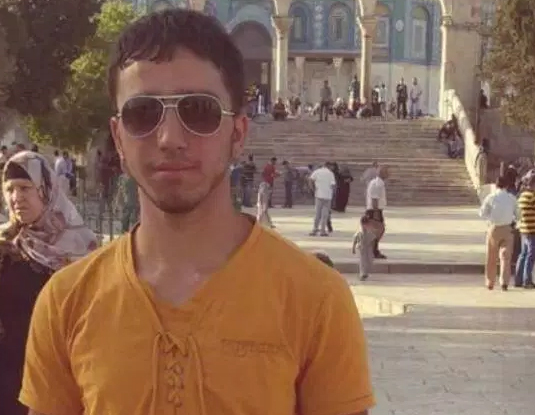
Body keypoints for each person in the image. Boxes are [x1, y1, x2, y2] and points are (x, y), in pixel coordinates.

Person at [19, 9, 374, 415]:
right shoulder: (67, 301)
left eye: (199, 111)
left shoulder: (314, 299)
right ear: (118, 137)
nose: (170, 138)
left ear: (237, 133)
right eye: (143, 113)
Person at [0, 151, 96, 415]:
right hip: (8, 378)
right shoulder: (6, 245)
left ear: (46, 190)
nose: (16, 197)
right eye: (9, 190)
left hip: (57, 378)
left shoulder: (78, 248)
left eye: (25, 188)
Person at [479, 176, 517, 290]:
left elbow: (482, 213)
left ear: (496, 185)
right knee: (506, 257)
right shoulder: (512, 198)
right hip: (508, 229)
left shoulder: (491, 197)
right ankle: (504, 282)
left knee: (491, 256)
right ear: (507, 186)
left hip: (494, 228)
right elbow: (518, 214)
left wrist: (490, 218)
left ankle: (490, 282)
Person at [366, 165, 389, 259]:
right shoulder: (377, 184)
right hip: (374, 210)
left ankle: (373, 250)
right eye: (386, 172)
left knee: (378, 231)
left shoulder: (379, 183)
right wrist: (376, 214)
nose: (388, 174)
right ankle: (372, 251)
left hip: (376, 210)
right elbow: (374, 199)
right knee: (376, 231)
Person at [352, 215, 378, 281]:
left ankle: (365, 272)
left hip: (368, 248)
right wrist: (353, 248)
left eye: (366, 224)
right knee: (362, 261)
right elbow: (355, 239)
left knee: (369, 261)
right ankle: (362, 274)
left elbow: (373, 240)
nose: (364, 226)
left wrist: (373, 249)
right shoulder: (359, 232)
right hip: (361, 248)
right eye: (363, 224)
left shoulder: (370, 232)